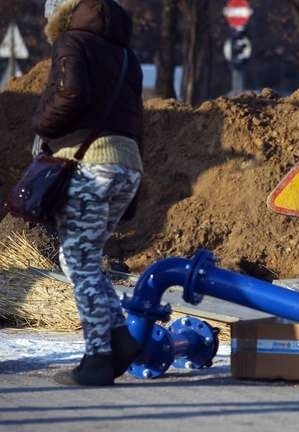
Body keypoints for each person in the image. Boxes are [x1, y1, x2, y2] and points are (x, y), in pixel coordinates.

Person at [33, 0, 144, 386]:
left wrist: (41, 125)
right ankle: (120, 339)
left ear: (62, 12)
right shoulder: (126, 55)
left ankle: (98, 359)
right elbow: (136, 119)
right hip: (127, 164)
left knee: (78, 260)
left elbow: (70, 93)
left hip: (89, 163)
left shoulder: (71, 41)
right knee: (83, 257)